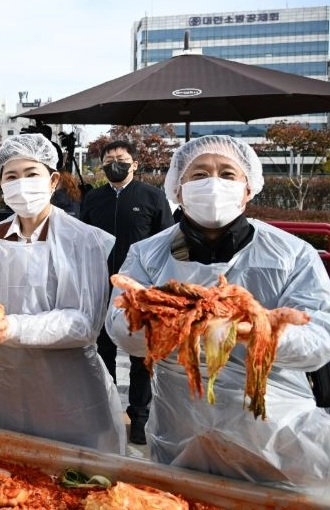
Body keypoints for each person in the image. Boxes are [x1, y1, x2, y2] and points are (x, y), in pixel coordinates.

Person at [106, 135, 330, 495]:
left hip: (276, 433)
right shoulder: (147, 254)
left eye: (227, 174)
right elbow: (120, 329)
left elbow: (319, 340)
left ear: (248, 189)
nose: (213, 184)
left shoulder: (293, 254)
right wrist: (162, 318)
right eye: (198, 175)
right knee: (183, 498)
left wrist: (254, 330)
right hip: (182, 429)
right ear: (177, 190)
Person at [0, 134, 125, 453]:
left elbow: (84, 323)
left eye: (31, 173)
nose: (21, 183)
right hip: (5, 385)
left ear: (52, 180)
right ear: (1, 184)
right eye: (11, 176)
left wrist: (11, 327)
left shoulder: (83, 239)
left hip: (69, 392)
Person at [80, 140, 175, 444]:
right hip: (102, 287)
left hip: (141, 291)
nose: (114, 164)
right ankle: (105, 411)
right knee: (102, 353)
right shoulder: (94, 199)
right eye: (108, 160)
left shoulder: (152, 197)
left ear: (134, 164)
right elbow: (83, 242)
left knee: (140, 357)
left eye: (121, 159)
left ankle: (139, 417)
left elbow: (168, 243)